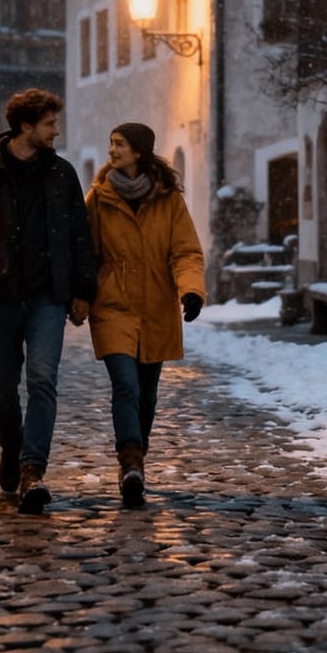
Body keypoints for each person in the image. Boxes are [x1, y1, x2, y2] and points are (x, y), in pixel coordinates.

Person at [0, 88, 96, 514]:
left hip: (49, 296)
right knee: (2, 385)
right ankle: (11, 447)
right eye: (49, 123)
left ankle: (33, 469)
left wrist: (82, 290)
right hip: (2, 298)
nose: (56, 130)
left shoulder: (63, 174)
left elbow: (79, 236)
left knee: (43, 381)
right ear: (26, 126)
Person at [85, 123, 206, 507]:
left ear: (139, 152)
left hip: (155, 307)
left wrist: (191, 290)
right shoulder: (99, 199)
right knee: (126, 385)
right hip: (113, 305)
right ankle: (131, 460)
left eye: (119, 144)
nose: (112, 151)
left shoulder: (168, 200)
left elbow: (185, 251)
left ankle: (136, 459)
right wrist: (80, 296)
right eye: (111, 143)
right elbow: (85, 253)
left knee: (148, 395)